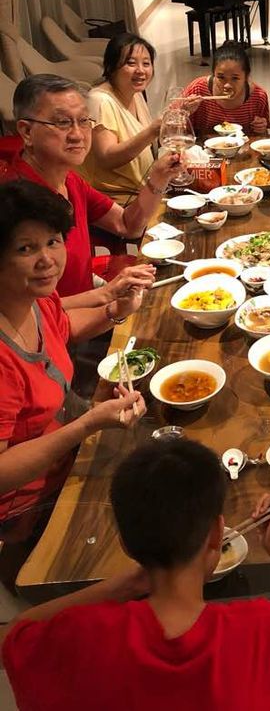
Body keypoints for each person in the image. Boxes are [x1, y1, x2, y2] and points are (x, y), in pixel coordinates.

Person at [0, 438, 270, 710]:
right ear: (217, 533)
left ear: (126, 545)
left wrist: (129, 581)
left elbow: (15, 633)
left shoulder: (82, 635)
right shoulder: (263, 628)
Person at [0, 181, 146, 542]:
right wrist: (88, 424)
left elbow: (62, 327)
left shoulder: (31, 300)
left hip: (73, 452)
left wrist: (115, 309)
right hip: (30, 510)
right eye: (25, 248)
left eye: (53, 241)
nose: (47, 259)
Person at [4, 75, 178, 302]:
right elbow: (29, 313)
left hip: (88, 301)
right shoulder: (14, 203)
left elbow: (128, 225)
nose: (78, 135)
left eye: (84, 120)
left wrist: (158, 177)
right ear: (26, 132)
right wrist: (105, 295)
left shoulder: (69, 180)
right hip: (57, 333)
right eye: (62, 123)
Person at [81, 33, 159, 201]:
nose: (141, 70)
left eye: (146, 63)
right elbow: (106, 158)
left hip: (142, 191)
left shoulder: (135, 93)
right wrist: (153, 131)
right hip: (116, 201)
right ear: (111, 66)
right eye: (131, 63)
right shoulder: (100, 100)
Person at [181, 41, 270, 137]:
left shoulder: (258, 97)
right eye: (221, 77)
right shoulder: (197, 89)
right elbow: (170, 129)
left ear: (246, 76)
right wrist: (184, 112)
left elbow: (262, 139)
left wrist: (261, 129)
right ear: (213, 73)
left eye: (235, 78)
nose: (227, 85)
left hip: (243, 150)